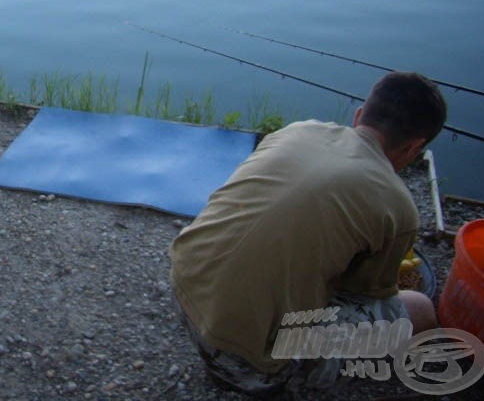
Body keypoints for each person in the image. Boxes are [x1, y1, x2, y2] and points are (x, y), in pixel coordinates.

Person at [170, 72, 447, 395]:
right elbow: (365, 294)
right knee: (420, 310)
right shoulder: (398, 206)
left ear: (360, 115)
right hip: (248, 366)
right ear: (415, 147)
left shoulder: (297, 130)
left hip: (182, 291)